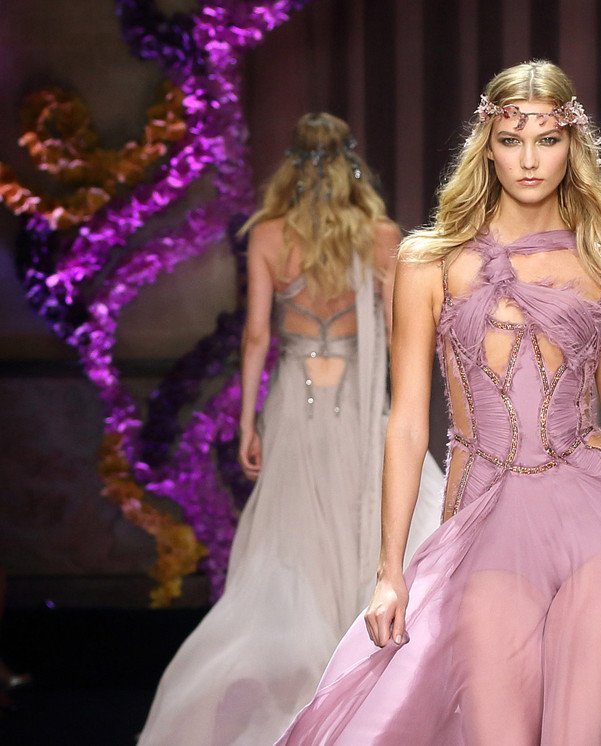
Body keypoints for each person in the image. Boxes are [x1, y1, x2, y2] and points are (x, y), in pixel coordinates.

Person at [278, 63, 601, 744]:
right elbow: (405, 427)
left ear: (572, 146)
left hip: (598, 525)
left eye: (547, 139)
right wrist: (389, 571)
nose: (528, 160)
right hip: (485, 524)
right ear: (487, 146)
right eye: (511, 139)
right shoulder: (427, 263)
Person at [138, 113, 443, 745]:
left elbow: (257, 336)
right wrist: (401, 413)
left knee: (296, 539)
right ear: (352, 164)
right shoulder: (381, 236)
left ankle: (305, 684)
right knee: (365, 525)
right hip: (360, 406)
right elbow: (399, 339)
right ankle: (362, 685)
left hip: (295, 404)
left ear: (292, 166)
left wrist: (246, 420)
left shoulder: (269, 235)